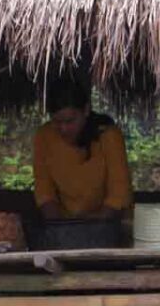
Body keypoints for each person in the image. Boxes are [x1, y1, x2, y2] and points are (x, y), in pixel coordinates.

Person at [33, 79, 132, 220]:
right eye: (57, 122)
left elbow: (119, 192)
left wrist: (91, 226)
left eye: (70, 121)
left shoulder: (108, 136)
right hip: (65, 226)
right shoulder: (44, 137)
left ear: (86, 110)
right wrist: (59, 227)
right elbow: (44, 190)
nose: (63, 129)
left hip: (110, 225)